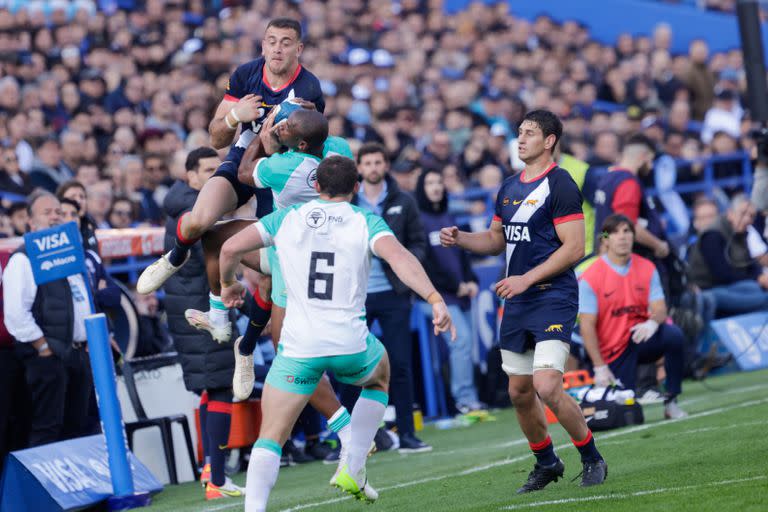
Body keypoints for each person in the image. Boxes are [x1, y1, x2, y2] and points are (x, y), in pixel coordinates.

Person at [217, 156, 455, 510]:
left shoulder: (286, 218)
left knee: (271, 436)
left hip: (299, 345)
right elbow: (400, 257)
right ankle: (354, 466)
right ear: (356, 188)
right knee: (380, 377)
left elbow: (229, 247)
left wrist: (227, 286)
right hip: (349, 342)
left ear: (315, 186)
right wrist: (434, 298)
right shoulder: (365, 220)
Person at [440, 110, 607, 492]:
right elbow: (496, 240)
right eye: (519, 133)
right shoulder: (509, 186)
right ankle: (547, 462)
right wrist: (462, 237)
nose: (521, 139)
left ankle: (591, 456)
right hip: (518, 300)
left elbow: (576, 247)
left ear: (549, 141)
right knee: (518, 391)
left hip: (553, 296)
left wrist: (526, 279)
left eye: (530, 133)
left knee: (547, 386)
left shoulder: (561, 183)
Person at [160, 146, 244, 500]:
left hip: (194, 311)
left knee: (215, 388)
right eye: (208, 170)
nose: (215, 176)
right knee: (222, 386)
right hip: (202, 313)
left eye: (218, 169)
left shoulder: (189, 205)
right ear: (190, 176)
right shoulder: (195, 209)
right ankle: (217, 476)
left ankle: (213, 468)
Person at [348, 142, 430, 453]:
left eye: (377, 162)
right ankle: (352, 439)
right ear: (359, 167)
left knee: (400, 364)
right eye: (366, 162)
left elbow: (420, 243)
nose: (372, 167)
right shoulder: (348, 204)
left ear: (385, 165)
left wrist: (405, 264)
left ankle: (407, 434)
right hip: (357, 297)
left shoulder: (404, 201)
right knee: (350, 366)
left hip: (394, 294)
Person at [3, 192, 93, 446]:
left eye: (59, 212)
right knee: (47, 428)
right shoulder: (23, 258)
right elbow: (15, 313)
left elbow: (81, 300)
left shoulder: (72, 254)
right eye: (48, 212)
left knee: (76, 427)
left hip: (76, 354)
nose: (56, 216)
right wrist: (42, 346)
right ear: (31, 223)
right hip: (47, 357)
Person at [578, 214, 688, 419]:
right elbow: (587, 326)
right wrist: (599, 366)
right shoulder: (591, 276)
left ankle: (672, 401)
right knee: (629, 416)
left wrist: (653, 323)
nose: (622, 237)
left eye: (627, 231)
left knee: (674, 336)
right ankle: (611, 384)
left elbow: (660, 307)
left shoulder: (647, 267)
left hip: (640, 336)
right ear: (605, 239)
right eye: (615, 232)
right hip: (612, 351)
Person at [415, 168, 485, 414]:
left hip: (460, 294)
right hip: (436, 297)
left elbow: (462, 253)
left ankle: (471, 398)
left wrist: (472, 280)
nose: (435, 187)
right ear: (421, 189)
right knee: (461, 341)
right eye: (429, 182)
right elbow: (426, 265)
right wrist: (456, 286)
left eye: (438, 182)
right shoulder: (419, 220)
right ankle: (464, 400)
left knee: (465, 343)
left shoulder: (446, 216)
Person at [592, 133, 670, 262]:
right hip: (626, 258)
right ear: (642, 157)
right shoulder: (628, 183)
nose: (651, 166)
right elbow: (628, 224)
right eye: (650, 160)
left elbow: (605, 222)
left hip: (607, 250)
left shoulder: (608, 176)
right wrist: (659, 245)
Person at [687, 195, 768, 315]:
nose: (747, 219)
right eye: (743, 214)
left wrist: (760, 275)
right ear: (730, 213)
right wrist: (757, 278)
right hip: (709, 289)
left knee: (755, 288)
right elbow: (723, 274)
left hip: (732, 286)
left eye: (751, 216)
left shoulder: (740, 231)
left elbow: (749, 262)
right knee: (759, 294)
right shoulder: (712, 235)